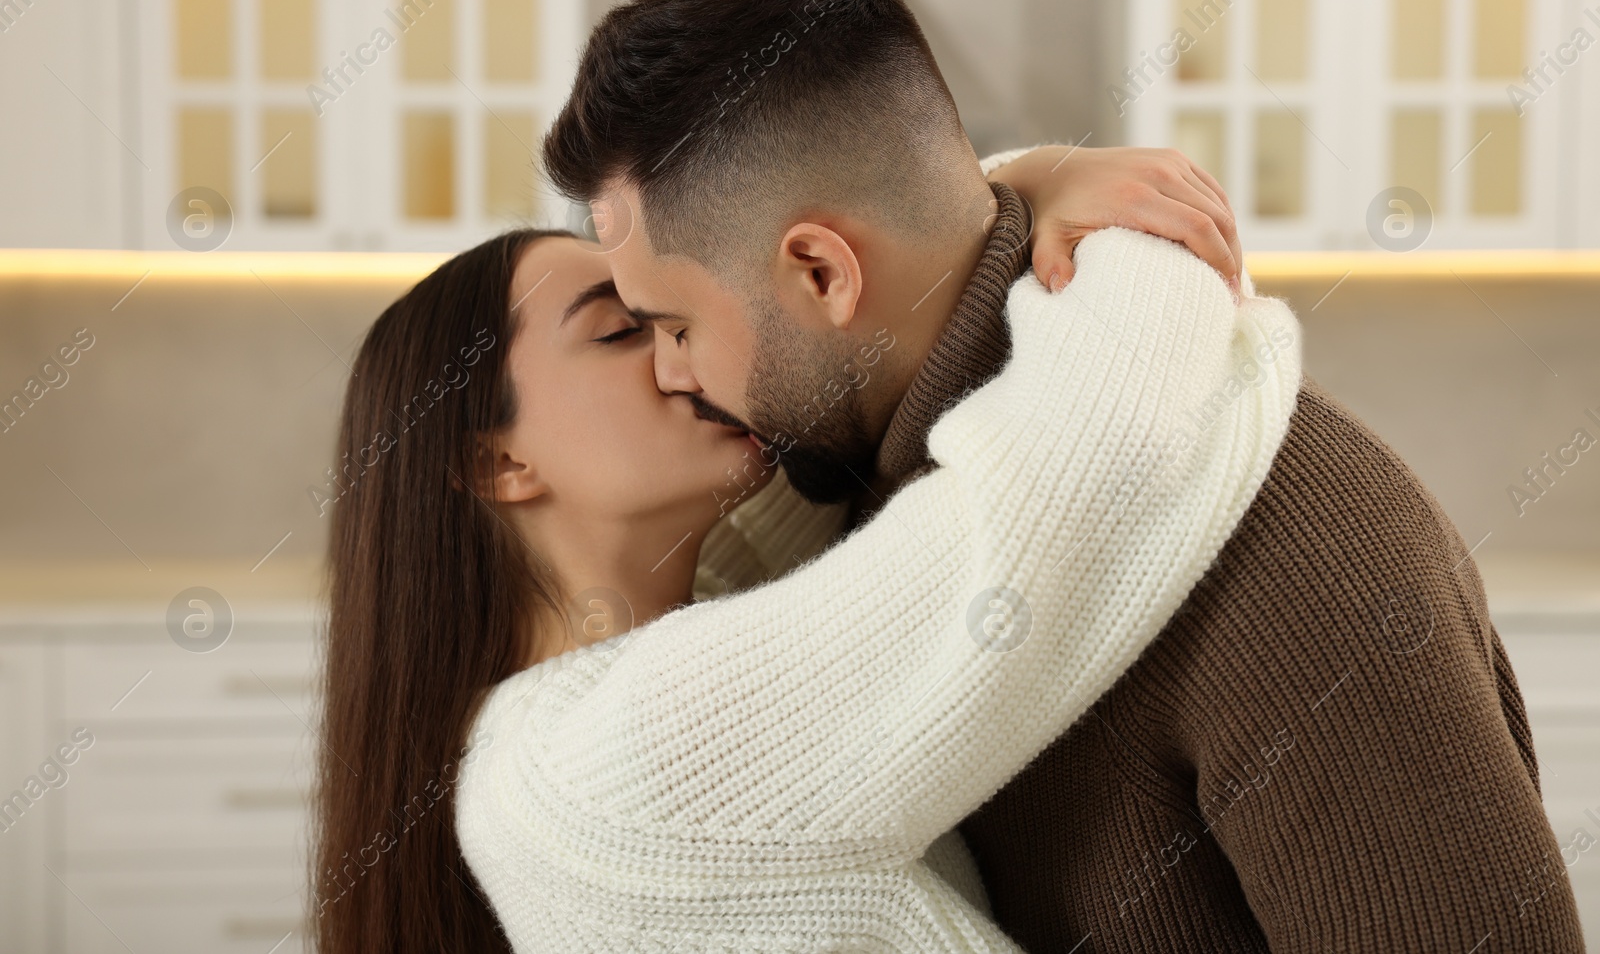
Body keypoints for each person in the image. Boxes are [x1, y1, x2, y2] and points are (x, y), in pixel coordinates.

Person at [541, 0, 1586, 952]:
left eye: (675, 326)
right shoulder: (853, 499)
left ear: (820, 274)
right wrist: (1032, 175)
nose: (672, 376)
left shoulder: (1297, 548)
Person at [309, 156, 1261, 950]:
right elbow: (1073, 479)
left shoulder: (679, 616)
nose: (680, 351)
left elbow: (866, 280)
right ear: (497, 459)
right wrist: (1149, 239)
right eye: (621, 329)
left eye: (667, 309)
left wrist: (1038, 180)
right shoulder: (616, 760)